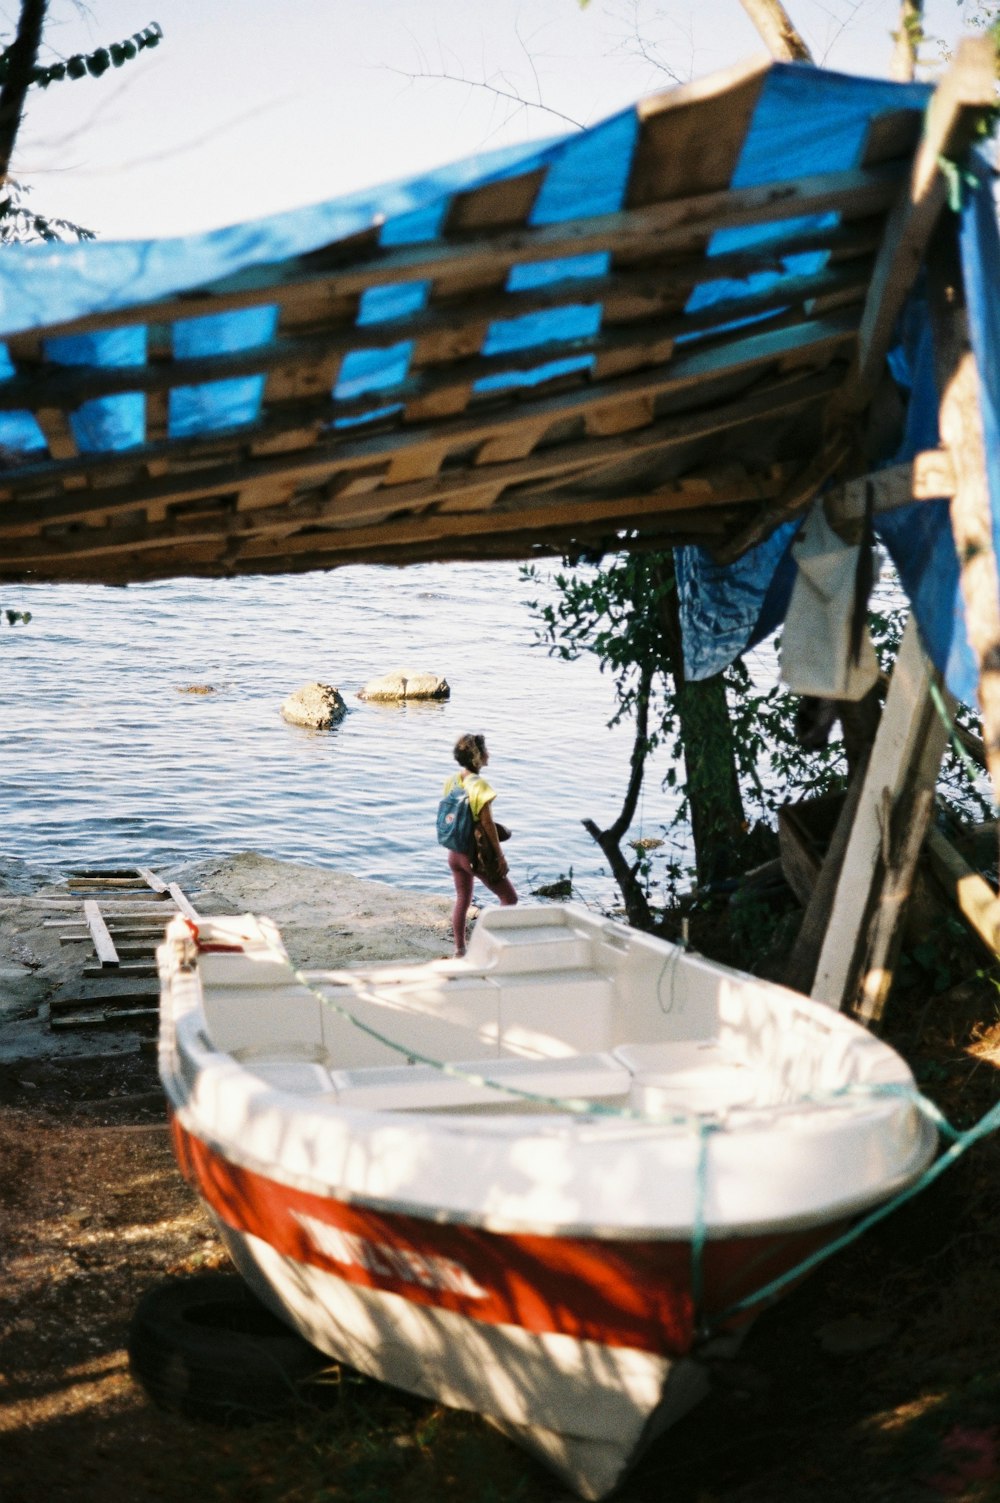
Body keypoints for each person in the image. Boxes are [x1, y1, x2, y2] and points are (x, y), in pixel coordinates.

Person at [443, 732, 517, 957]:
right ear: (478, 756)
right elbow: (486, 824)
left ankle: (459, 950)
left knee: (463, 899)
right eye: (486, 750)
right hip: (474, 855)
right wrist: (500, 856)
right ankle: (490, 947)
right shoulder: (480, 786)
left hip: (455, 852)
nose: (489, 754)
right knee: (509, 899)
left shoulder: (452, 781)